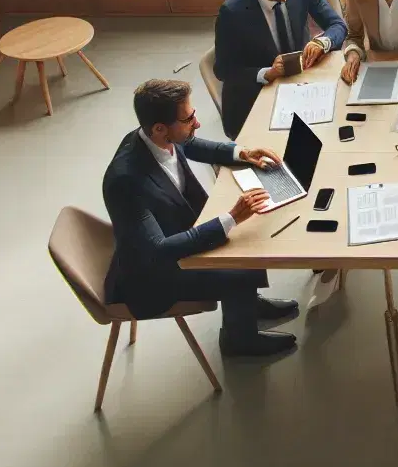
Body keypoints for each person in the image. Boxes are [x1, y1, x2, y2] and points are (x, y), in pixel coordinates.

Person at [102, 79, 298, 357]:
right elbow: (159, 251)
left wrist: (240, 153)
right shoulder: (125, 180)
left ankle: (247, 305)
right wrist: (230, 218)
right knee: (239, 261)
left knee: (243, 242)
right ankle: (239, 341)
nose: (197, 123)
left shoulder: (154, 136)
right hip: (153, 276)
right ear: (160, 128)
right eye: (188, 119)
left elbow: (191, 145)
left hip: (169, 238)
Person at [213, 0, 347, 139]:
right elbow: (223, 70)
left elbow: (337, 25)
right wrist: (267, 73)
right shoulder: (232, 12)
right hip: (258, 96)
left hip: (300, 84)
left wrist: (322, 42)